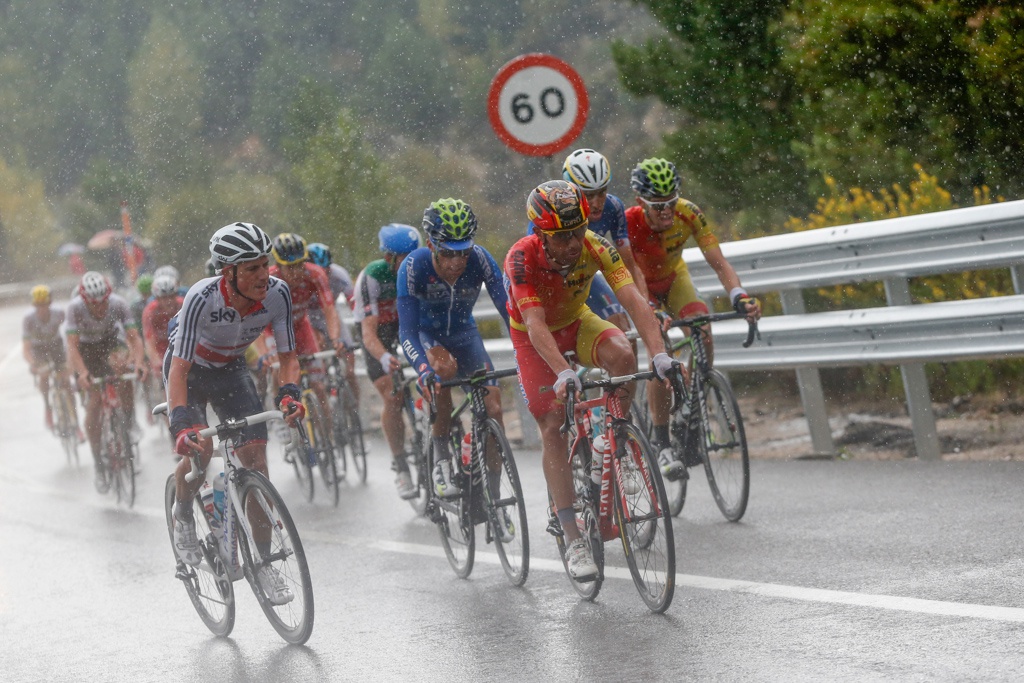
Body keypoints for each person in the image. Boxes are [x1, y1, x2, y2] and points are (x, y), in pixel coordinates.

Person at [504, 180, 676, 581]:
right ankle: (572, 537)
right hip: (534, 336)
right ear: (541, 233)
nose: (571, 244)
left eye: (577, 232)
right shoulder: (520, 257)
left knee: (622, 355)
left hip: (577, 321)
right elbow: (534, 322)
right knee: (551, 424)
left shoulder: (597, 245)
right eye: (560, 237)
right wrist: (563, 371)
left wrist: (661, 352)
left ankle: (614, 438)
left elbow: (633, 299)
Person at [166, 222, 304, 606]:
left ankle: (264, 563)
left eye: (265, 264)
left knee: (257, 464)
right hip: (189, 371)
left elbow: (289, 357)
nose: (264, 275)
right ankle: (182, 517)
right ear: (228, 272)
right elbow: (178, 370)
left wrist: (290, 394)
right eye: (252, 268)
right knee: (200, 452)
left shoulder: (278, 294)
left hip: (230, 370)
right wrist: (180, 425)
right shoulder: (201, 297)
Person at [625, 158, 761, 478]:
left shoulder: (689, 213)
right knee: (660, 357)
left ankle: (692, 405)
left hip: (674, 280)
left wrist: (738, 295)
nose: (667, 211)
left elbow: (718, 261)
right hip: (641, 289)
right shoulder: (628, 223)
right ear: (639, 202)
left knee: (702, 327)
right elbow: (625, 275)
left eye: (671, 202)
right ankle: (661, 442)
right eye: (658, 205)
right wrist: (648, 309)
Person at [397, 198, 510, 499]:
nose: (456, 263)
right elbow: (406, 330)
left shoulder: (481, 259)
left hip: (464, 334)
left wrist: (529, 347)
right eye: (447, 253)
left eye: (463, 253)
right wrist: (422, 367)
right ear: (432, 245)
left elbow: (508, 311)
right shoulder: (413, 266)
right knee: (442, 370)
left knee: (495, 409)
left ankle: (494, 496)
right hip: (427, 336)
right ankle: (441, 459)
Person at [352, 224, 420, 499]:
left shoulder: (419, 269)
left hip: (405, 326)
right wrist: (384, 356)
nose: (410, 262)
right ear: (390, 257)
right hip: (378, 332)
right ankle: (401, 464)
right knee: (393, 396)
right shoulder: (373, 276)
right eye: (404, 257)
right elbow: (368, 332)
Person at [64, 272, 147, 491]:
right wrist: (82, 373)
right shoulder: (74, 308)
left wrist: (138, 363)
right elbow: (72, 347)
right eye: (94, 304)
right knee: (93, 407)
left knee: (122, 369)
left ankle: (128, 422)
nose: (100, 307)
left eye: (103, 302)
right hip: (86, 349)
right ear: (84, 300)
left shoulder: (118, 303)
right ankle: (99, 465)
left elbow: (133, 337)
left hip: (111, 342)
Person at [553, 148, 649, 332]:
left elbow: (630, 267)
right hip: (553, 284)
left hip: (584, 279)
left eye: (602, 192)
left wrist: (648, 310)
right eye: (588, 195)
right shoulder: (551, 214)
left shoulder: (613, 207)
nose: (597, 203)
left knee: (622, 329)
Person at [259, 233, 345, 433]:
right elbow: (258, 322)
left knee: (318, 387)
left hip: (300, 326)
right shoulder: (268, 281)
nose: (297, 272)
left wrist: (335, 338)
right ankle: (280, 417)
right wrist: (265, 352)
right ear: (278, 266)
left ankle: (327, 438)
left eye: (300, 264)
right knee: (276, 369)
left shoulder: (315, 274)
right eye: (290, 267)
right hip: (273, 329)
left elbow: (330, 309)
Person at [22, 285, 80, 437]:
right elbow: (26, 348)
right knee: (44, 375)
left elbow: (69, 337)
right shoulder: (28, 319)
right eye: (38, 305)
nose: (42, 308)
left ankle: (76, 423)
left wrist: (70, 362)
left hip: (56, 346)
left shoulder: (59, 313)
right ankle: (48, 406)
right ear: (34, 306)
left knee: (66, 382)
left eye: (44, 304)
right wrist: (33, 364)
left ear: (50, 303)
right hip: (38, 349)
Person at [306, 242, 359, 402]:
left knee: (350, 370)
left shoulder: (339, 274)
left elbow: (354, 303)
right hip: (308, 319)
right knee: (319, 345)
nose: (325, 274)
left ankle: (355, 408)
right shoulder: (304, 277)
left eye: (327, 269)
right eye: (321, 270)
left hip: (332, 316)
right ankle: (322, 378)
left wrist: (361, 329)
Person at [141, 275, 184, 379]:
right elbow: (149, 341)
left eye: (171, 296)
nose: (168, 301)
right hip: (161, 350)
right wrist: (157, 362)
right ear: (156, 298)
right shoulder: (150, 312)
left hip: (182, 348)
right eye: (164, 298)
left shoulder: (183, 305)